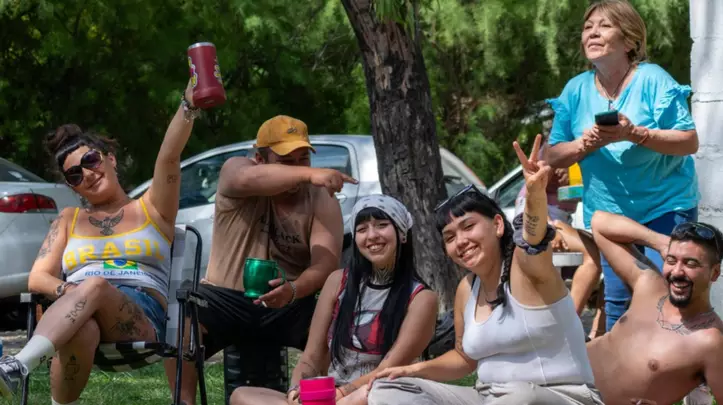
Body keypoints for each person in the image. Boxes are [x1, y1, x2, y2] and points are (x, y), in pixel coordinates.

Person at [0, 81, 198, 403]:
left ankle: (17, 365)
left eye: (90, 160)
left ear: (111, 159)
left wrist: (188, 105)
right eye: (75, 175)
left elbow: (169, 156)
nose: (87, 174)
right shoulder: (69, 219)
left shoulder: (152, 208)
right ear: (73, 187)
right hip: (76, 314)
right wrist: (73, 293)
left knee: (95, 285)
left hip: (142, 315)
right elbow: (38, 277)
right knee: (85, 324)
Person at [366, 135, 602, 405]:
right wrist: (412, 370)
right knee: (388, 389)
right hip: (489, 398)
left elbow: (534, 238)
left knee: (519, 396)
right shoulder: (467, 289)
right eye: (450, 237)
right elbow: (464, 358)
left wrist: (535, 194)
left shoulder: (525, 267)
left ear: (498, 225)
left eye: (468, 227)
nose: (461, 241)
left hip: (561, 397)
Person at [165, 115, 357, 404]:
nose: (298, 167)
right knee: (182, 314)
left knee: (335, 319)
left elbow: (325, 265)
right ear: (259, 158)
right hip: (225, 298)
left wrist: (293, 290)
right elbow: (246, 178)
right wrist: (308, 174)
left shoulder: (320, 197)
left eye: (303, 159)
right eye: (286, 160)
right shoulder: (236, 170)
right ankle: (184, 402)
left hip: (289, 300)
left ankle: (325, 399)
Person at [545, 0, 700, 332]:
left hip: (666, 206)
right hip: (610, 215)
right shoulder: (575, 90)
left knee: (667, 297)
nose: (593, 33)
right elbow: (553, 155)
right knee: (618, 302)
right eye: (588, 27)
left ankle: (681, 364)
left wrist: (636, 133)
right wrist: (584, 144)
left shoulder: (653, 79)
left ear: (629, 41)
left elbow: (689, 141)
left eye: (604, 25)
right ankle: (621, 366)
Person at [230, 195, 438, 405]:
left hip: (377, 394)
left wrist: (341, 394)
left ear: (402, 234)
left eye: (382, 225)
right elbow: (310, 358)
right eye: (362, 229)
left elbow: (387, 369)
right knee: (242, 396)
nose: (372, 236)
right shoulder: (338, 282)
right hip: (330, 395)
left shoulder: (421, 298)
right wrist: (296, 390)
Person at [587, 210, 723, 404]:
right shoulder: (648, 285)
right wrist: (660, 241)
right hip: (566, 372)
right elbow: (599, 223)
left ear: (715, 273)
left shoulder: (710, 341)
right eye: (671, 260)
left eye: (690, 263)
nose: (677, 272)